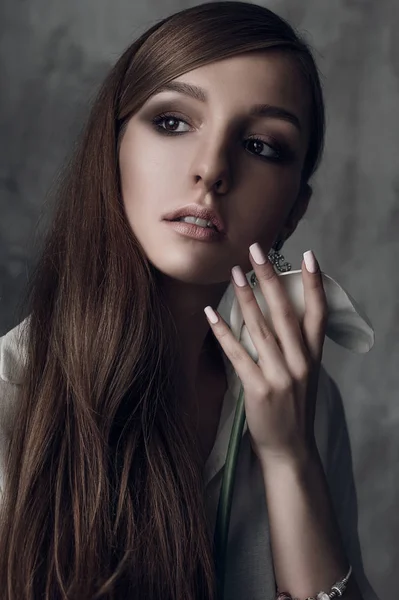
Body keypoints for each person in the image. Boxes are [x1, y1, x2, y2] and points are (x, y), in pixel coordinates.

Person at [0, 2, 380, 599]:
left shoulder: (304, 397)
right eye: (174, 122)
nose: (210, 170)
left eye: (260, 145)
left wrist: (289, 459)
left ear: (295, 211)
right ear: (113, 146)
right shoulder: (11, 394)